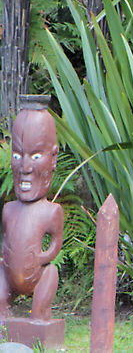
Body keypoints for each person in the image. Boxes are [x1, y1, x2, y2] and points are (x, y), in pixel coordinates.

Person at [0, 103, 63, 321]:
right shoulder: (9, 209)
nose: (25, 167)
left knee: (51, 272)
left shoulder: (51, 211)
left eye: (36, 156)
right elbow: (6, 237)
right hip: (8, 274)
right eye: (17, 155)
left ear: (53, 158)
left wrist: (43, 256)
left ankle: (39, 314)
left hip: (37, 273)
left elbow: (56, 243)